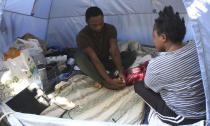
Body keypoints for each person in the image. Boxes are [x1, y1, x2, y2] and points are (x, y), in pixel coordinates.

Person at [134, 6, 206, 125]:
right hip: (205, 107)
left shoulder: (156, 64)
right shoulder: (196, 47)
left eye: (154, 37)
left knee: (139, 86)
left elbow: (147, 86)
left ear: (163, 37)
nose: (153, 41)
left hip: (183, 117)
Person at [74, 7, 136, 90]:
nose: (99, 27)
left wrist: (121, 71)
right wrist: (108, 80)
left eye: (101, 24)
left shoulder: (110, 29)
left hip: (104, 62)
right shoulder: (82, 36)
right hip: (91, 65)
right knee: (79, 57)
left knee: (131, 55)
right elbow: (94, 58)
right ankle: (102, 81)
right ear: (87, 22)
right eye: (94, 25)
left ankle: (111, 73)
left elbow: (114, 51)